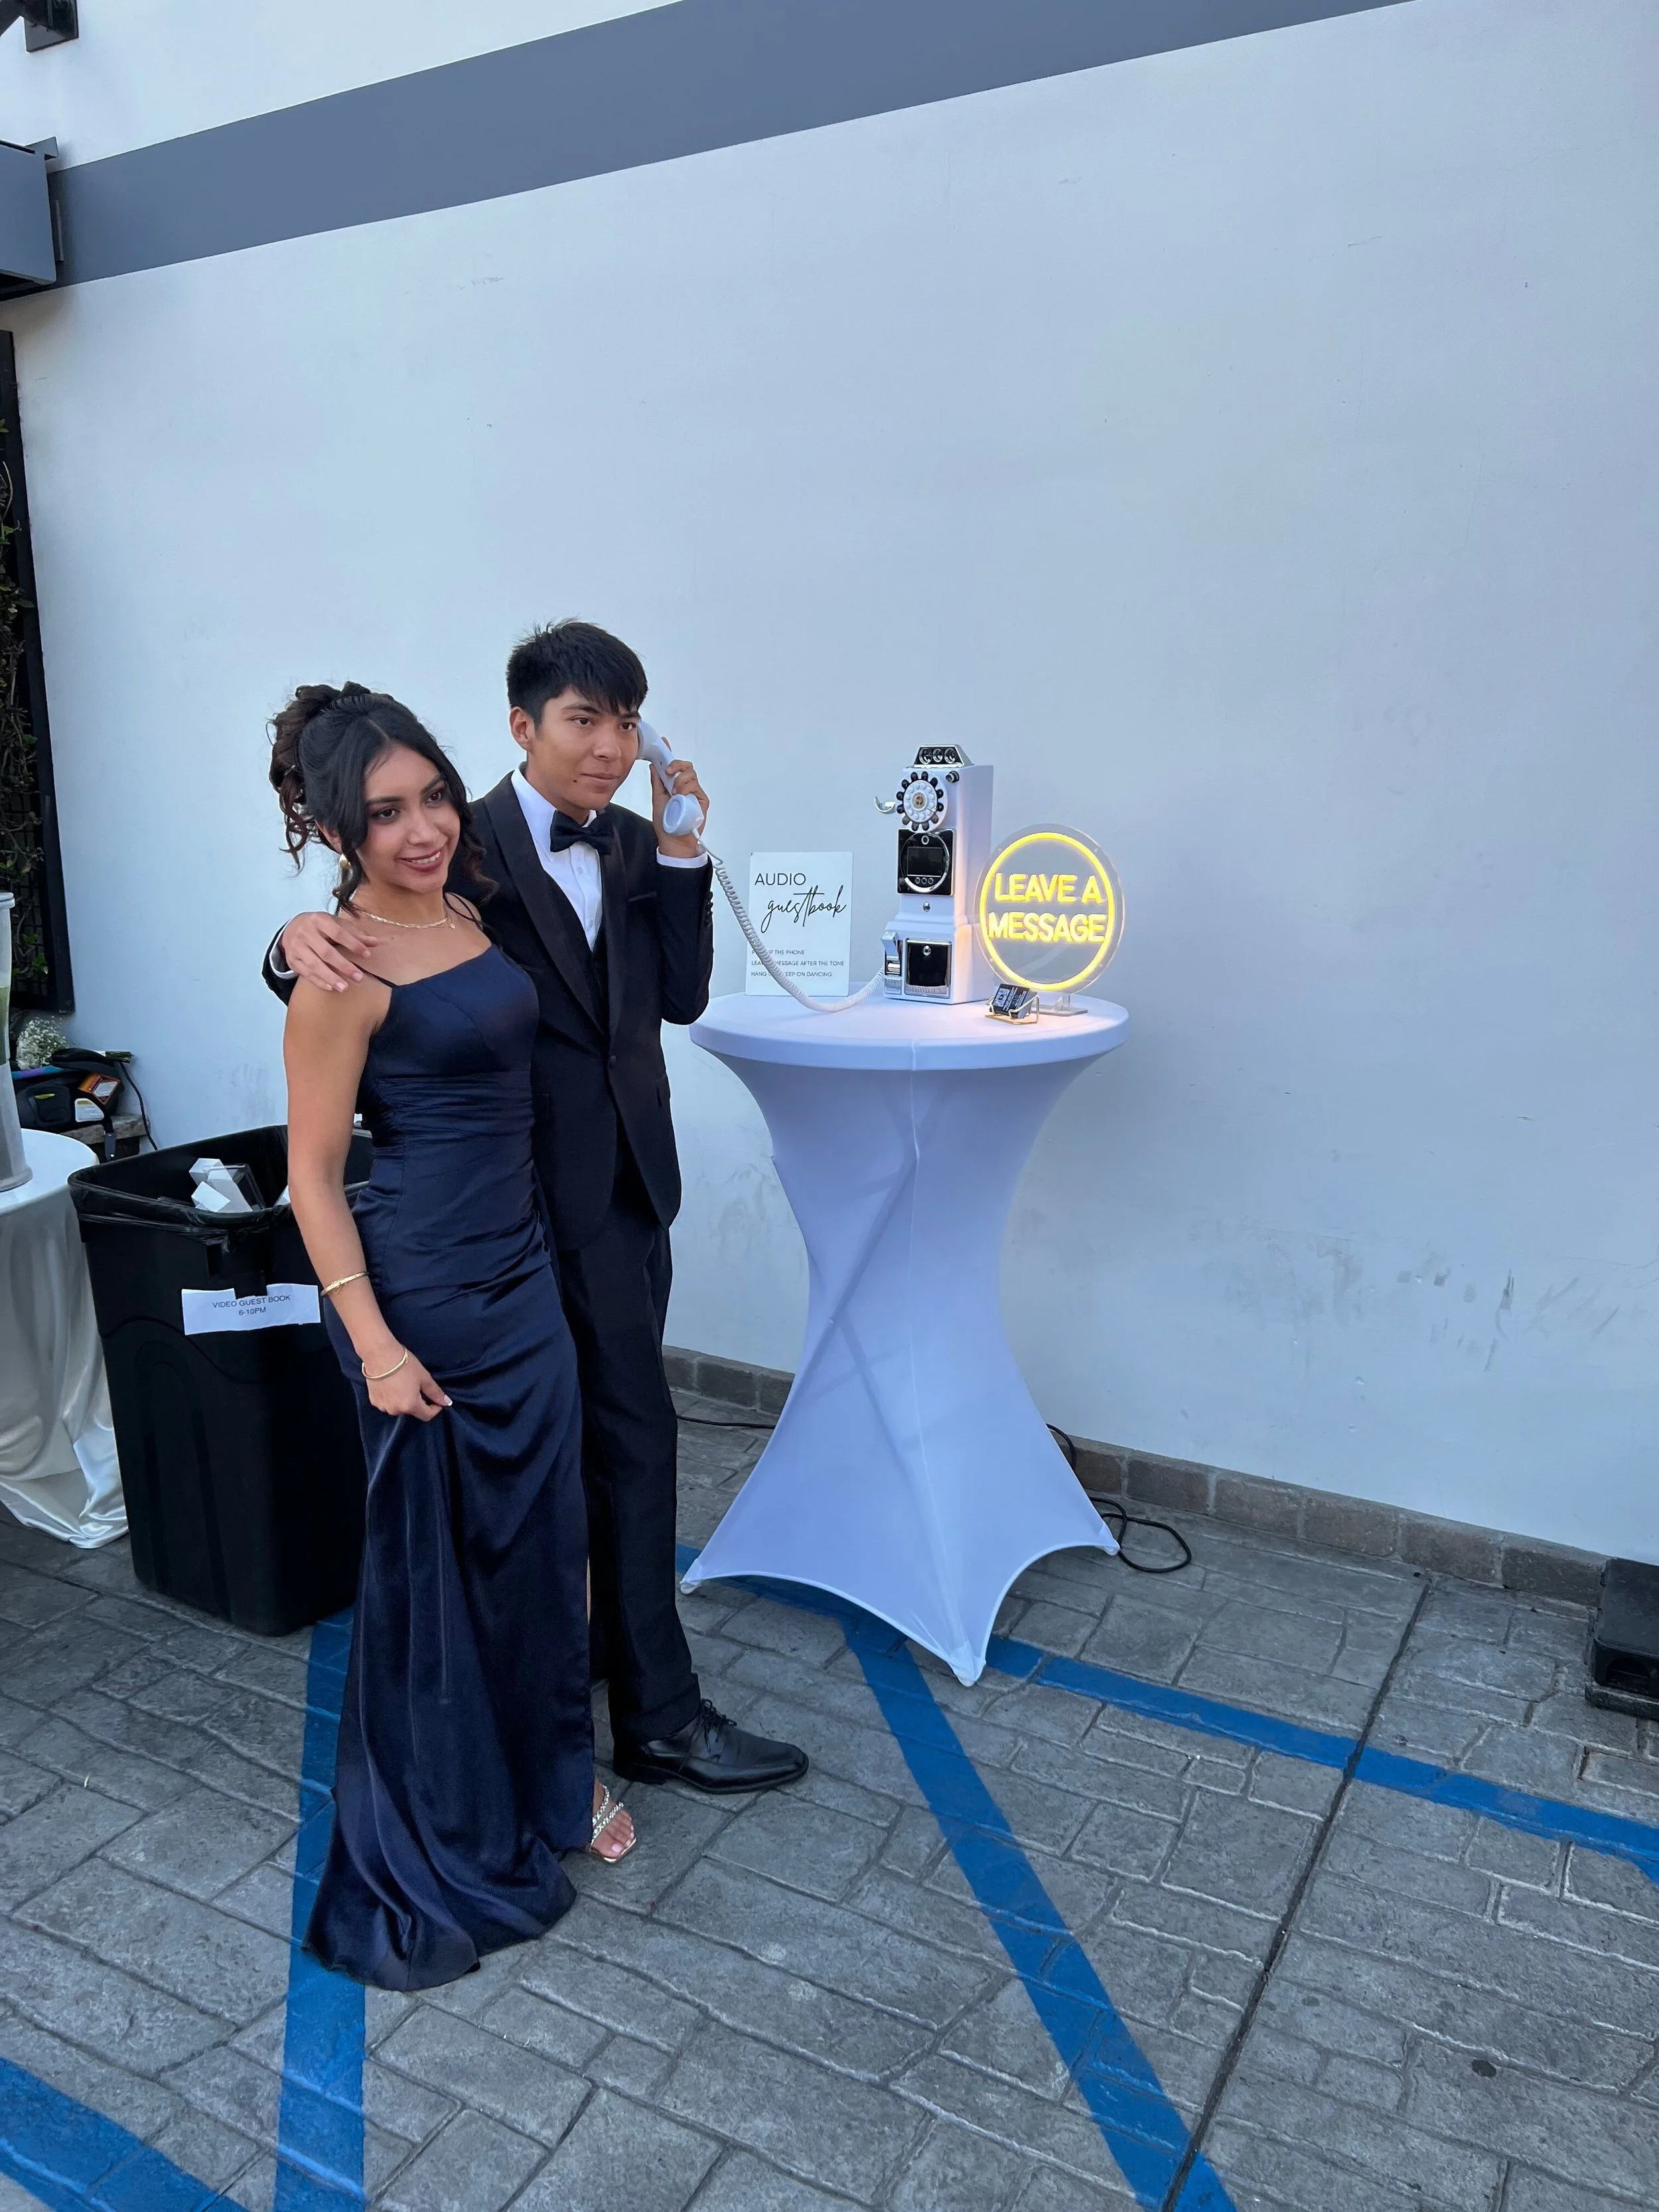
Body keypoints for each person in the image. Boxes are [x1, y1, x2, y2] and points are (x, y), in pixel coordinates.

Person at [269, 623, 806, 1795]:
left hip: (621, 1201)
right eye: (584, 720)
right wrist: (286, 936)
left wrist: (678, 853)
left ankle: (631, 1692)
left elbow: (679, 995)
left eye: (627, 723)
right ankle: (612, 1724)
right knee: (565, 1466)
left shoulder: (625, 840)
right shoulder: (461, 850)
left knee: (623, 1449)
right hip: (496, 1222)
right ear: (523, 729)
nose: (610, 747)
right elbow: (364, 949)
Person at [275, 683, 636, 1994]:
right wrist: (370, 1343)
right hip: (415, 1298)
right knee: (440, 1576)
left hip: (521, 1279)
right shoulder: (337, 969)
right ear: (335, 827)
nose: (421, 828)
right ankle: (457, 1814)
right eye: (384, 813)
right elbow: (313, 1178)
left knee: (545, 1545)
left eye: (431, 795)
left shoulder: (472, 900)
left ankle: (552, 1773)